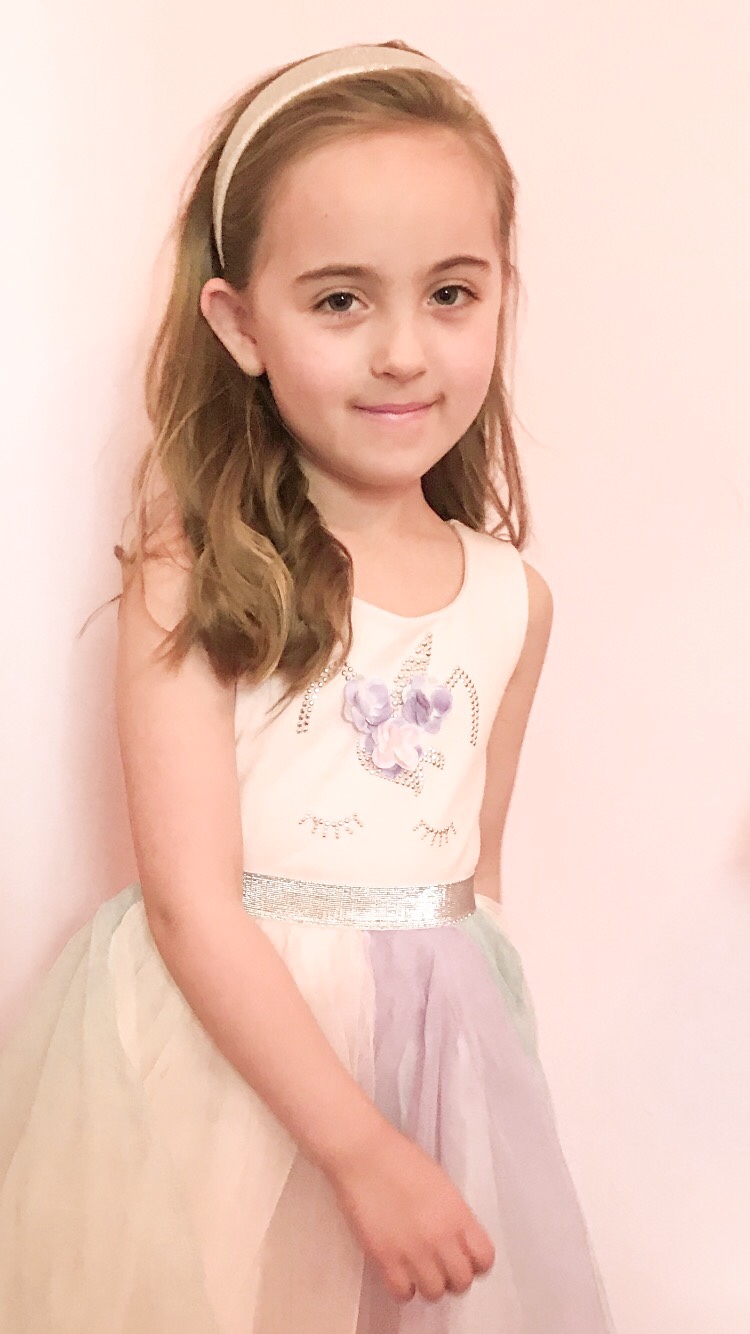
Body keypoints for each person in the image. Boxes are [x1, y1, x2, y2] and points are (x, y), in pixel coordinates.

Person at [0, 38, 617, 1334]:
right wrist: (357, 1148)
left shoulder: (515, 599)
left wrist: (456, 1094)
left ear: (502, 296)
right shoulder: (199, 572)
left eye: (450, 293)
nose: (403, 351)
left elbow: (475, 882)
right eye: (340, 299)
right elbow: (190, 902)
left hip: (433, 1057)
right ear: (240, 326)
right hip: (235, 1063)